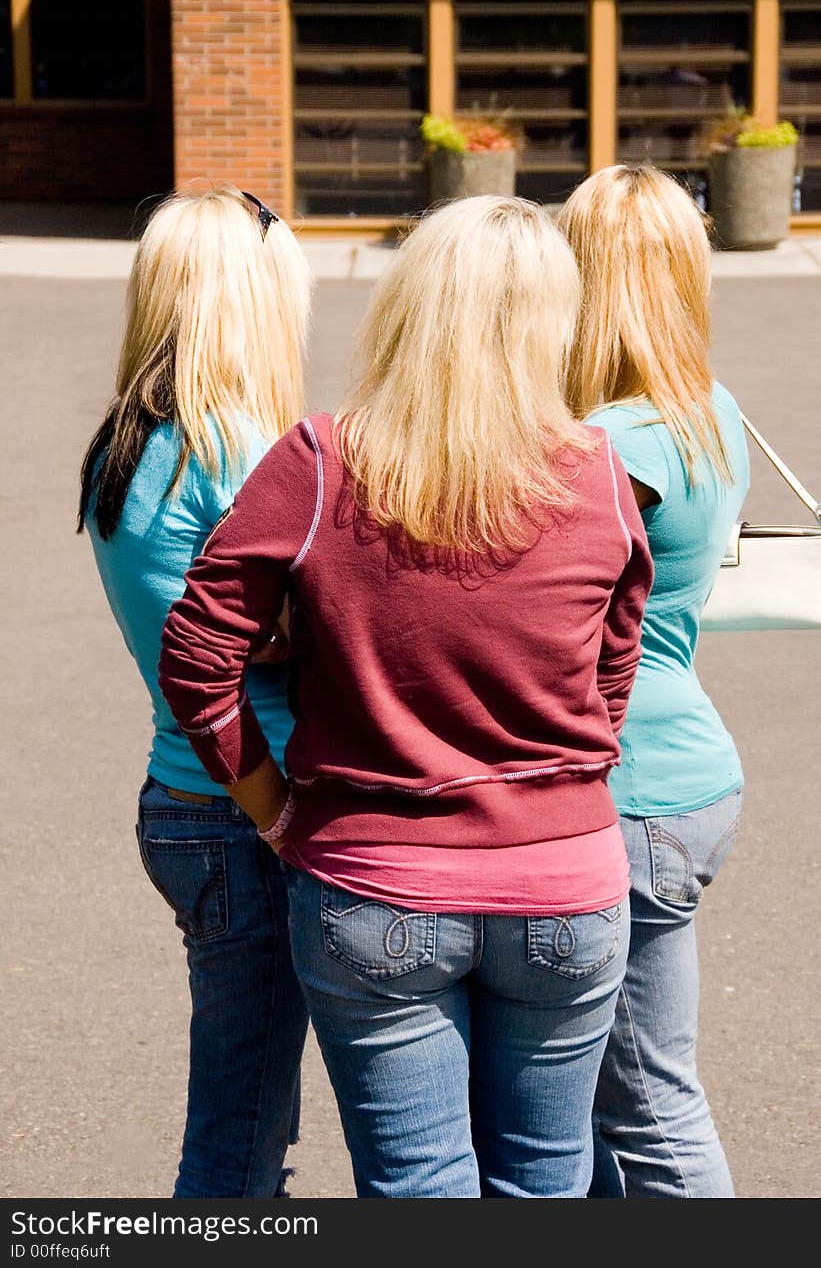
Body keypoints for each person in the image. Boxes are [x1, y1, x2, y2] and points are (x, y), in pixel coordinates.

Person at [158, 195, 653, 1198]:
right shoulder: (601, 473)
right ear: (553, 320)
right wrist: (557, 773)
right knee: (546, 1184)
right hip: (565, 882)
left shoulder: (319, 458)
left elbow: (197, 656)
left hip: (371, 882)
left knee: (417, 1186)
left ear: (407, 308)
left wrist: (272, 809)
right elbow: (613, 665)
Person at [77, 186, 313, 1198]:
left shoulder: (132, 442)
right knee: (240, 1130)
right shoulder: (239, 452)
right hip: (248, 808)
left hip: (186, 799)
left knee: (245, 1108)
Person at [559, 164, 750, 1198]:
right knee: (608, 1097)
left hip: (627, 790)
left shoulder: (613, 445)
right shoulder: (707, 406)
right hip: (682, 767)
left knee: (644, 1104)